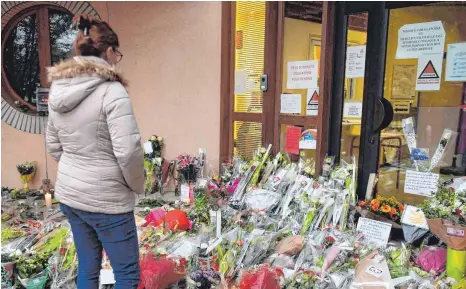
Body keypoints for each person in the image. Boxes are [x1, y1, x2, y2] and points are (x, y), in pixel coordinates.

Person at [46, 15, 144, 289]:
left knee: (88, 268)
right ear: (109, 51)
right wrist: (137, 185)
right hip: (108, 201)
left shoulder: (58, 89)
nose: (117, 58)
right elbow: (128, 152)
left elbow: (53, 144)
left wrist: (76, 169)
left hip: (72, 196)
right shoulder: (112, 92)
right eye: (117, 52)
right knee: (126, 275)